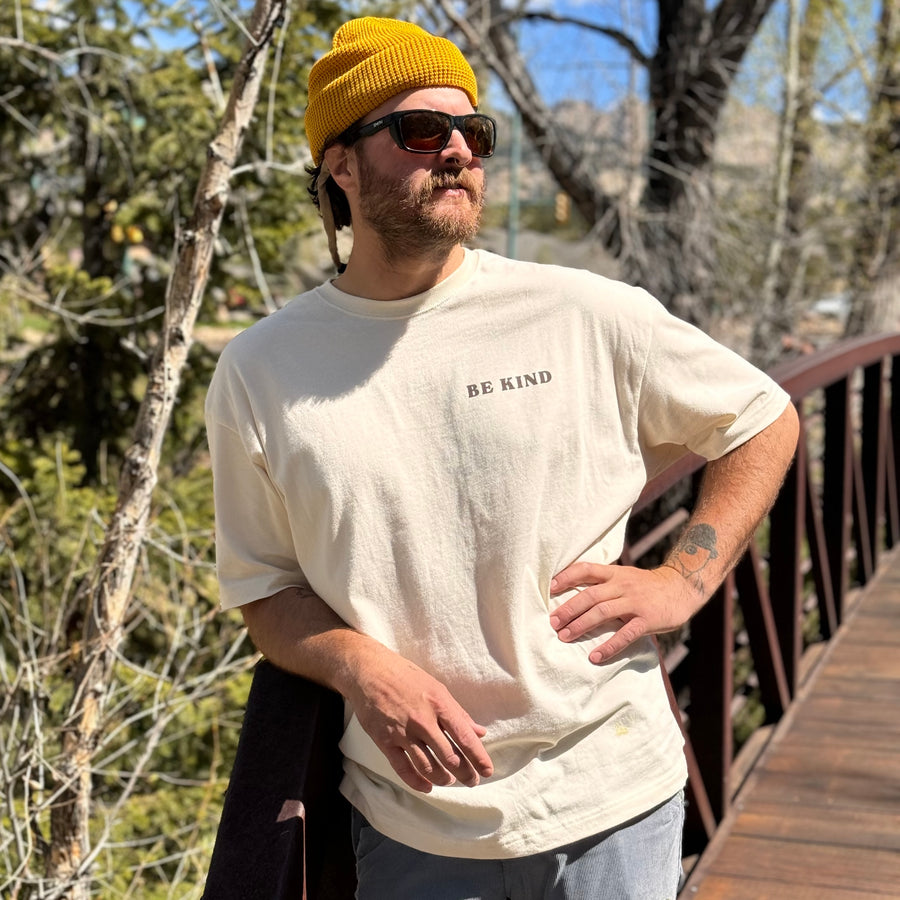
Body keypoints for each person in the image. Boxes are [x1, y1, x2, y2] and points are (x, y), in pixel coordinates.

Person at [205, 16, 799, 900]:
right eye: (419, 130)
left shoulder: (584, 312)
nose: (457, 152)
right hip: (417, 821)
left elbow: (763, 415)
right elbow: (266, 590)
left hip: (616, 798)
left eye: (473, 133)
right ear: (338, 163)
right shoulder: (260, 371)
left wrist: (686, 579)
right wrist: (360, 667)